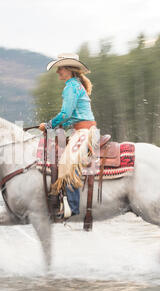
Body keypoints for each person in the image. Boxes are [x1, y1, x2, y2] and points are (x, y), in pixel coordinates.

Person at [39, 53, 97, 219]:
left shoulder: (71, 87)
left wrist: (49, 125)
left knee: (68, 163)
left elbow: (65, 114)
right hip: (82, 129)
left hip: (84, 132)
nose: (58, 72)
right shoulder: (76, 85)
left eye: (60, 68)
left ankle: (72, 207)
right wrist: (56, 126)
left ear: (69, 70)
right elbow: (72, 117)